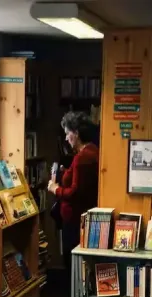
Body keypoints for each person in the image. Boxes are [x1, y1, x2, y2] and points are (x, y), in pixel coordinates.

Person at [48, 112, 99, 275]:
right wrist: (65, 172)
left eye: (67, 133)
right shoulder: (93, 151)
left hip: (75, 220)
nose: (65, 139)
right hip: (84, 217)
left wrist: (55, 189)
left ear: (76, 133)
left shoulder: (82, 158)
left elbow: (75, 192)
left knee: (73, 264)